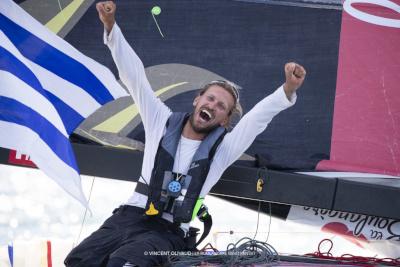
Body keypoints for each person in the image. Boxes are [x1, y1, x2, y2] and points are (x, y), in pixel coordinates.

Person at [65, 1, 306, 266]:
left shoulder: (222, 151)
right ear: (196, 100)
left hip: (166, 235)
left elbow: (257, 119)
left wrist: (287, 89)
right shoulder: (160, 121)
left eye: (220, 106)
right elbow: (134, 77)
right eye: (210, 99)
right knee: (78, 260)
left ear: (225, 120)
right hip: (129, 216)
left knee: (125, 264)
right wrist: (110, 28)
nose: (212, 106)